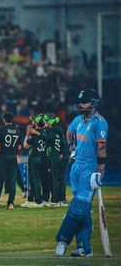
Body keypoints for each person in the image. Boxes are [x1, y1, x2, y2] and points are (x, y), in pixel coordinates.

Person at [55, 88, 108, 257]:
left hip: (89, 169)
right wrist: (72, 149)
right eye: (80, 102)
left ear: (94, 103)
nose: (80, 104)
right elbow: (68, 134)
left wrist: (100, 171)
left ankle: (63, 238)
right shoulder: (78, 120)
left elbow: (101, 147)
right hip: (76, 167)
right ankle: (85, 248)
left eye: (84, 101)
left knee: (78, 209)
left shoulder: (100, 122)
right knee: (83, 209)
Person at [0, 111, 22, 210]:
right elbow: (19, 147)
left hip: (3, 157)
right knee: (12, 181)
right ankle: (10, 204)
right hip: (13, 157)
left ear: (4, 119)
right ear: (12, 119)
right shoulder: (17, 131)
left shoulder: (1, 130)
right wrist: (17, 156)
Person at [23, 115, 49, 208]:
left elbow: (25, 145)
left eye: (34, 122)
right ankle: (36, 199)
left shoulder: (35, 134)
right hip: (42, 157)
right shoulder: (43, 134)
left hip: (35, 157)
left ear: (37, 124)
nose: (32, 123)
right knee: (38, 180)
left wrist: (27, 135)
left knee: (36, 180)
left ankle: (38, 201)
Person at [45, 116, 67, 207]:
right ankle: (62, 200)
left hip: (55, 157)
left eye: (49, 124)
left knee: (55, 180)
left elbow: (45, 137)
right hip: (63, 157)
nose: (48, 125)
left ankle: (55, 200)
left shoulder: (52, 133)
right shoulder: (60, 133)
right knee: (61, 180)